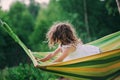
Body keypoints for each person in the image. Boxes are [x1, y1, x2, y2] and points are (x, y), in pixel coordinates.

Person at [35, 22, 101, 80]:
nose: (55, 41)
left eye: (56, 38)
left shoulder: (69, 48)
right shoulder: (62, 45)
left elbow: (59, 59)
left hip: (88, 55)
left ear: (61, 37)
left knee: (70, 75)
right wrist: (41, 61)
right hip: (75, 60)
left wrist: (45, 66)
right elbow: (52, 54)